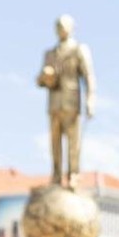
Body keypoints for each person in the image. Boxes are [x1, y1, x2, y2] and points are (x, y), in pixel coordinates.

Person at [36, 14, 96, 188]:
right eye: (58, 26)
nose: (61, 29)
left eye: (64, 26)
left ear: (71, 28)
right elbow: (40, 81)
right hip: (54, 102)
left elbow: (89, 76)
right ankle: (55, 175)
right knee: (54, 141)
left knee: (73, 141)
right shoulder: (49, 54)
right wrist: (45, 76)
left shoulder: (79, 50)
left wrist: (90, 99)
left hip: (71, 101)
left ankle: (73, 175)